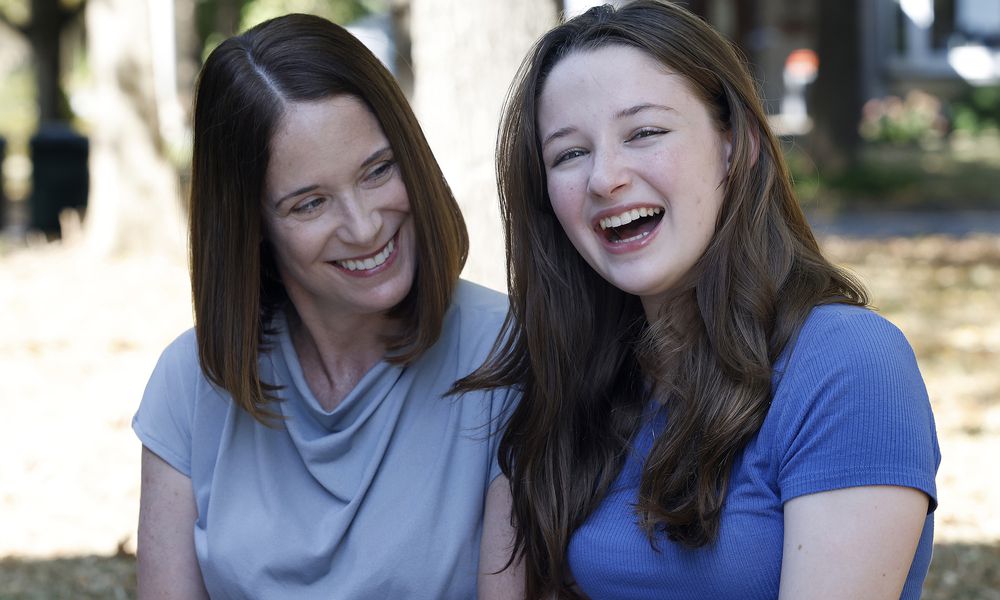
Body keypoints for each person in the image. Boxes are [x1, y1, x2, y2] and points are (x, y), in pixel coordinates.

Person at [462, 2, 940, 599]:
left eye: (645, 132)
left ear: (736, 145)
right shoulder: (566, 378)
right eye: (569, 153)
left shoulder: (847, 363)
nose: (604, 178)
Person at [133, 13, 515, 599]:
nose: (363, 228)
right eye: (310, 204)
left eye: (378, 171)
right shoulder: (190, 383)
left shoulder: (510, 357)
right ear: (251, 225)